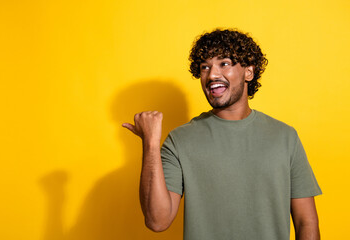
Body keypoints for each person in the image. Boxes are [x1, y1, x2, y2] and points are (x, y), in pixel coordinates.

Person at [122, 29, 322, 240]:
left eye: (224, 63)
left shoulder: (285, 137)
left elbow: (306, 222)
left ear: (249, 72)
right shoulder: (179, 141)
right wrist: (151, 144)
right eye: (205, 67)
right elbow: (157, 221)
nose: (212, 75)